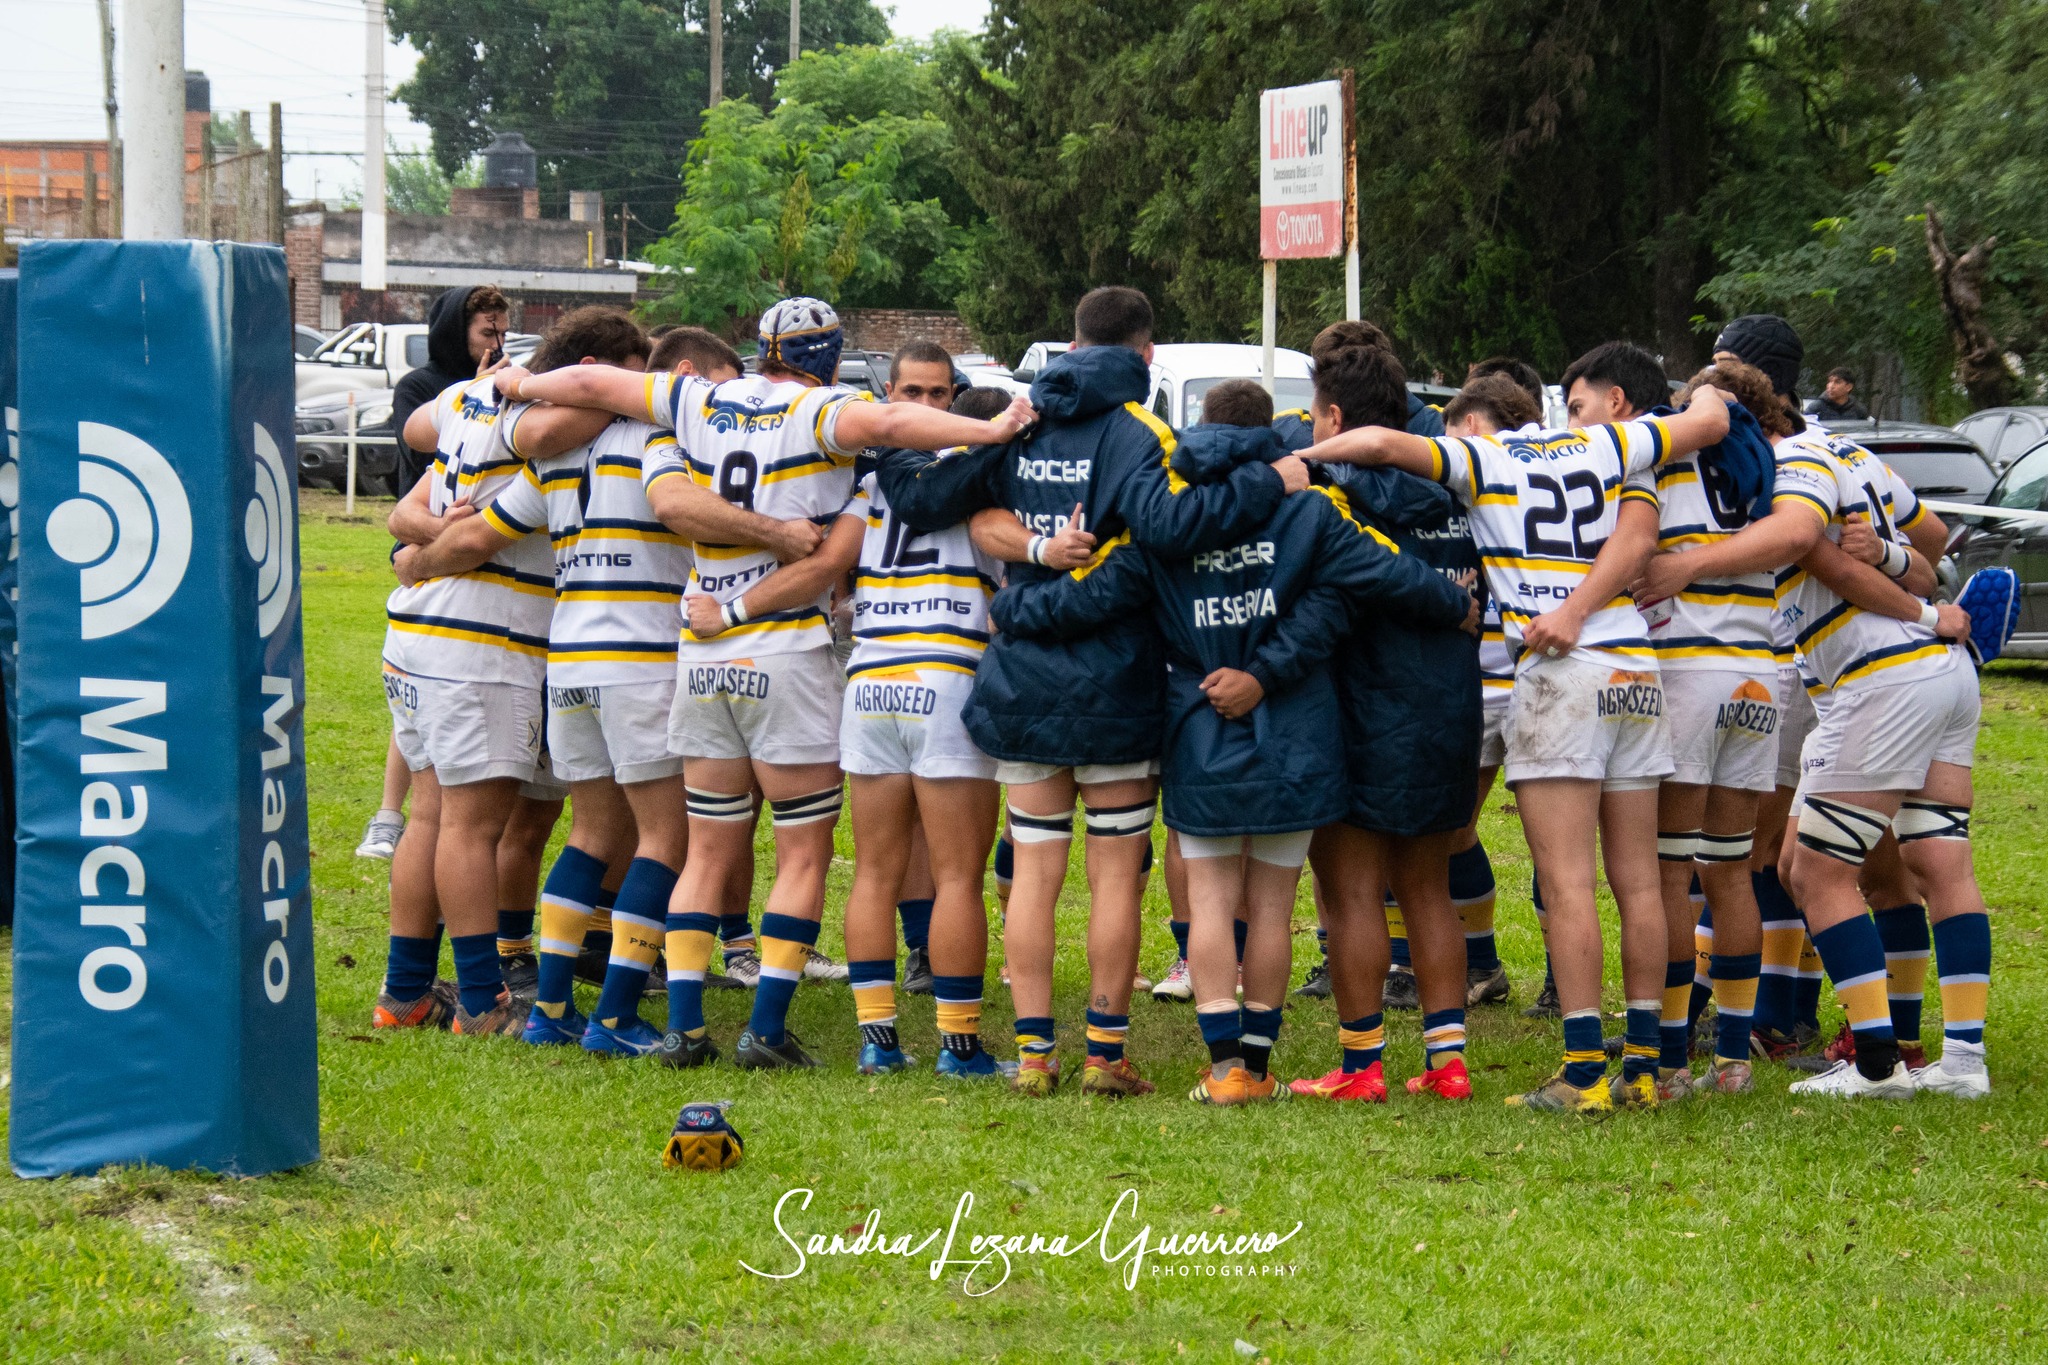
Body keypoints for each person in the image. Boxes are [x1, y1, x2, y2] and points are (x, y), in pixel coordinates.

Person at [487, 297, 1037, 1070]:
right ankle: (766, 1029)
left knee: (704, 851)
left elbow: (600, 385)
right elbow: (889, 430)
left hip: (701, 659)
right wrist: (989, 428)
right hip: (785, 653)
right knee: (804, 851)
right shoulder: (823, 409)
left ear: (762, 348)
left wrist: (515, 383)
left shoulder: (698, 398)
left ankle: (684, 1026)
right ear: (828, 355)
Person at [990, 383, 1476, 1105]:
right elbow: (1379, 573)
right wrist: (1456, 603)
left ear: (1200, 433)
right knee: (1275, 906)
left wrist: (1010, 603)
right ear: (1272, 433)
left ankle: (1225, 1071)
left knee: (1212, 901)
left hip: (1199, 723)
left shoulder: (1168, 519)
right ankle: (1259, 1060)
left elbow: (1092, 594)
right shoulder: (1307, 503)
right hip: (1297, 727)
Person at [875, 286, 1307, 1098]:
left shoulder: (1019, 419)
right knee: (1116, 876)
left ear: (1072, 345)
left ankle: (1036, 1055)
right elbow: (1167, 536)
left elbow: (943, 501)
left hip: (1026, 677)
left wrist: (1022, 585)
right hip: (1116, 681)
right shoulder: (1140, 430)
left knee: (1033, 874)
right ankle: (1105, 1053)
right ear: (1145, 356)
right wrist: (1272, 481)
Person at [1306, 347, 1737, 1114]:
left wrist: (1300, 457)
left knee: (1568, 882)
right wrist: (1700, 397)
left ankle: (1581, 1072)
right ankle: (1641, 1064)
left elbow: (1376, 444)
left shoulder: (1481, 456)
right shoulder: (1612, 440)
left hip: (1557, 670)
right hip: (1634, 666)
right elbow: (1712, 419)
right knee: (1640, 881)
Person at [395, 307, 702, 1059]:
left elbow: (437, 492)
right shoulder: (590, 431)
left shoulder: (505, 427)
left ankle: (473, 998)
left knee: (496, 821)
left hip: (508, 647)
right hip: (551, 646)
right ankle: (542, 1006)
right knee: (646, 834)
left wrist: (414, 560)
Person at [692, 385, 1018, 1078]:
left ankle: (878, 1041)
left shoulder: (875, 480)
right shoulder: (992, 472)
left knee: (874, 869)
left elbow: (830, 562)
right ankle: (959, 1046)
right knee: (957, 874)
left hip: (871, 677)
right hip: (947, 668)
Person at [373, 313, 616, 1037]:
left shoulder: (465, 400)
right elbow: (541, 435)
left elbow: (417, 428)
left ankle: (407, 991)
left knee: (433, 816)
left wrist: (426, 529)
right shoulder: (530, 414)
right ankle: (482, 1000)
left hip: (417, 632)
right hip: (481, 641)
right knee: (472, 827)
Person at [1284, 345, 1487, 1104]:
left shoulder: (1327, 493)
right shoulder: (1458, 484)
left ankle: (1361, 1065)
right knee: (1429, 889)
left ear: (1333, 419)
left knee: (1351, 894)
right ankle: (1448, 1063)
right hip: (1448, 707)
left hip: (1360, 706)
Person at [1630, 359, 1805, 1097]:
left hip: (1689, 673)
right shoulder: (1764, 471)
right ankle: (1730, 1059)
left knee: (1672, 872)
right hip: (1757, 677)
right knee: (1731, 871)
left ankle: (1669, 1060)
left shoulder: (1665, 465)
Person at [357, 285, 515, 866]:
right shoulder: (424, 389)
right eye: (484, 333)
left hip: (471, 546)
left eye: (503, 332)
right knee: (415, 692)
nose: (496, 343)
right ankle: (388, 815)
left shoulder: (504, 392)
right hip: (425, 533)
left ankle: (424, 818)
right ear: (456, 331)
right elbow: (432, 460)